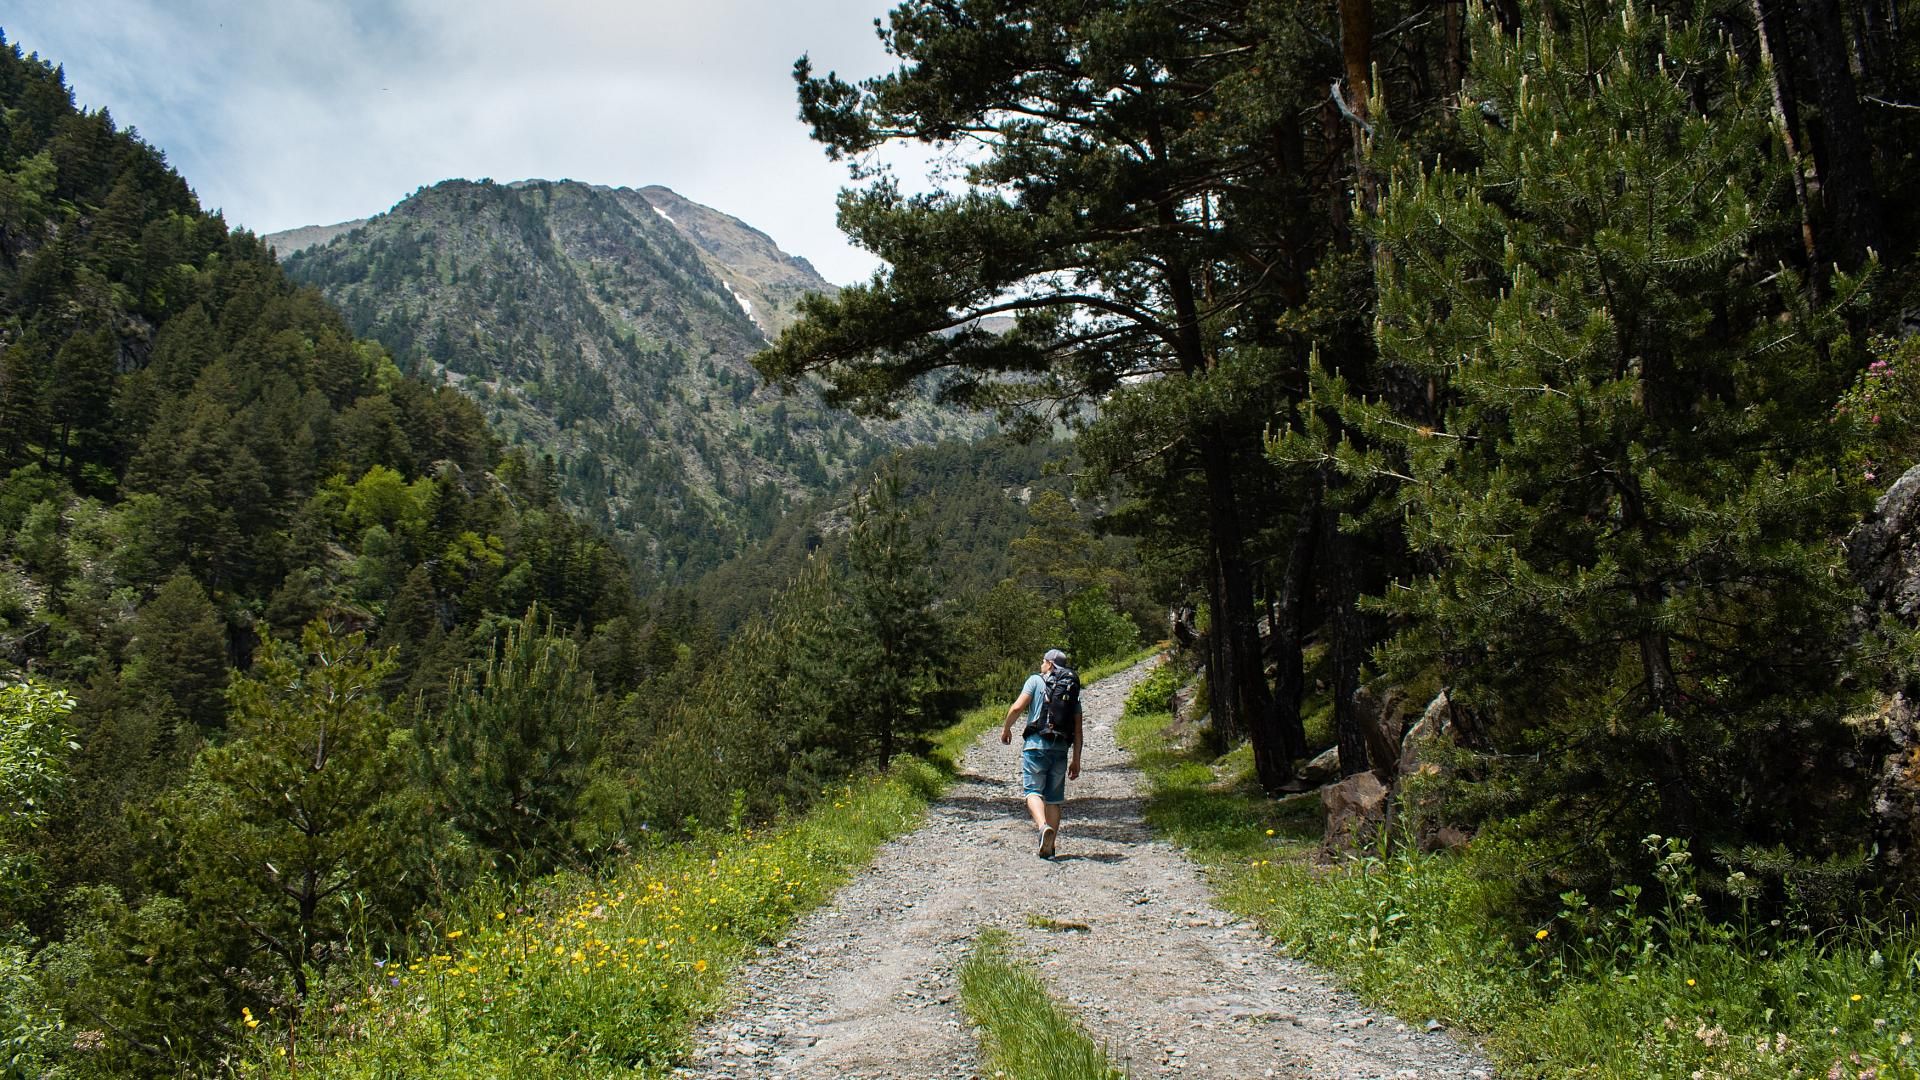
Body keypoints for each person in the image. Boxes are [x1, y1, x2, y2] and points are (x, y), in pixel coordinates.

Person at [1000, 647, 1082, 859]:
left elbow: (1018, 707)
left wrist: (1006, 728)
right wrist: (1076, 760)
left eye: (1044, 661)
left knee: (1032, 791)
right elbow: (1078, 730)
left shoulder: (1035, 681)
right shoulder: (1071, 691)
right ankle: (1050, 846)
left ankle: (1043, 826)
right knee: (1053, 799)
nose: (1041, 664)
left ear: (1050, 664)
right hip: (1061, 747)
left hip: (1036, 745)